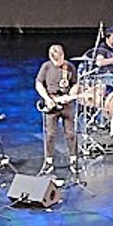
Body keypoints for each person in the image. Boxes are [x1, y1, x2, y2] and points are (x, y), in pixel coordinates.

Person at [35, 43, 81, 174]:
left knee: (71, 133)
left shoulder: (70, 67)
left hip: (66, 105)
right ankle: (49, 162)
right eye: (55, 60)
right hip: (51, 103)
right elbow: (38, 84)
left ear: (63, 55)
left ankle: (73, 160)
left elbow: (75, 84)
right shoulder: (46, 67)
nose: (57, 63)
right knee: (50, 134)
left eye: (59, 59)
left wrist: (71, 95)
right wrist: (47, 99)